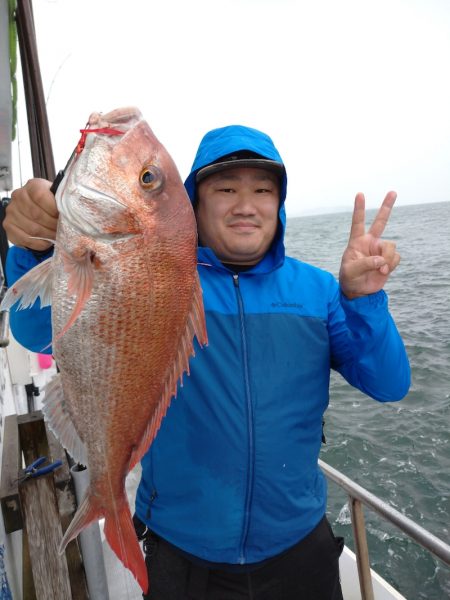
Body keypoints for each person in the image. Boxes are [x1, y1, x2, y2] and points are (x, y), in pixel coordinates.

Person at [3, 124, 410, 600]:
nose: (245, 204)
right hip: (184, 555)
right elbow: (34, 330)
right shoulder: (158, 278)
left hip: (301, 549)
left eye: (262, 189)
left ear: (279, 204)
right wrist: (35, 247)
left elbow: (389, 382)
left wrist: (362, 301)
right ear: (194, 201)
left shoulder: (317, 292)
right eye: (225, 189)